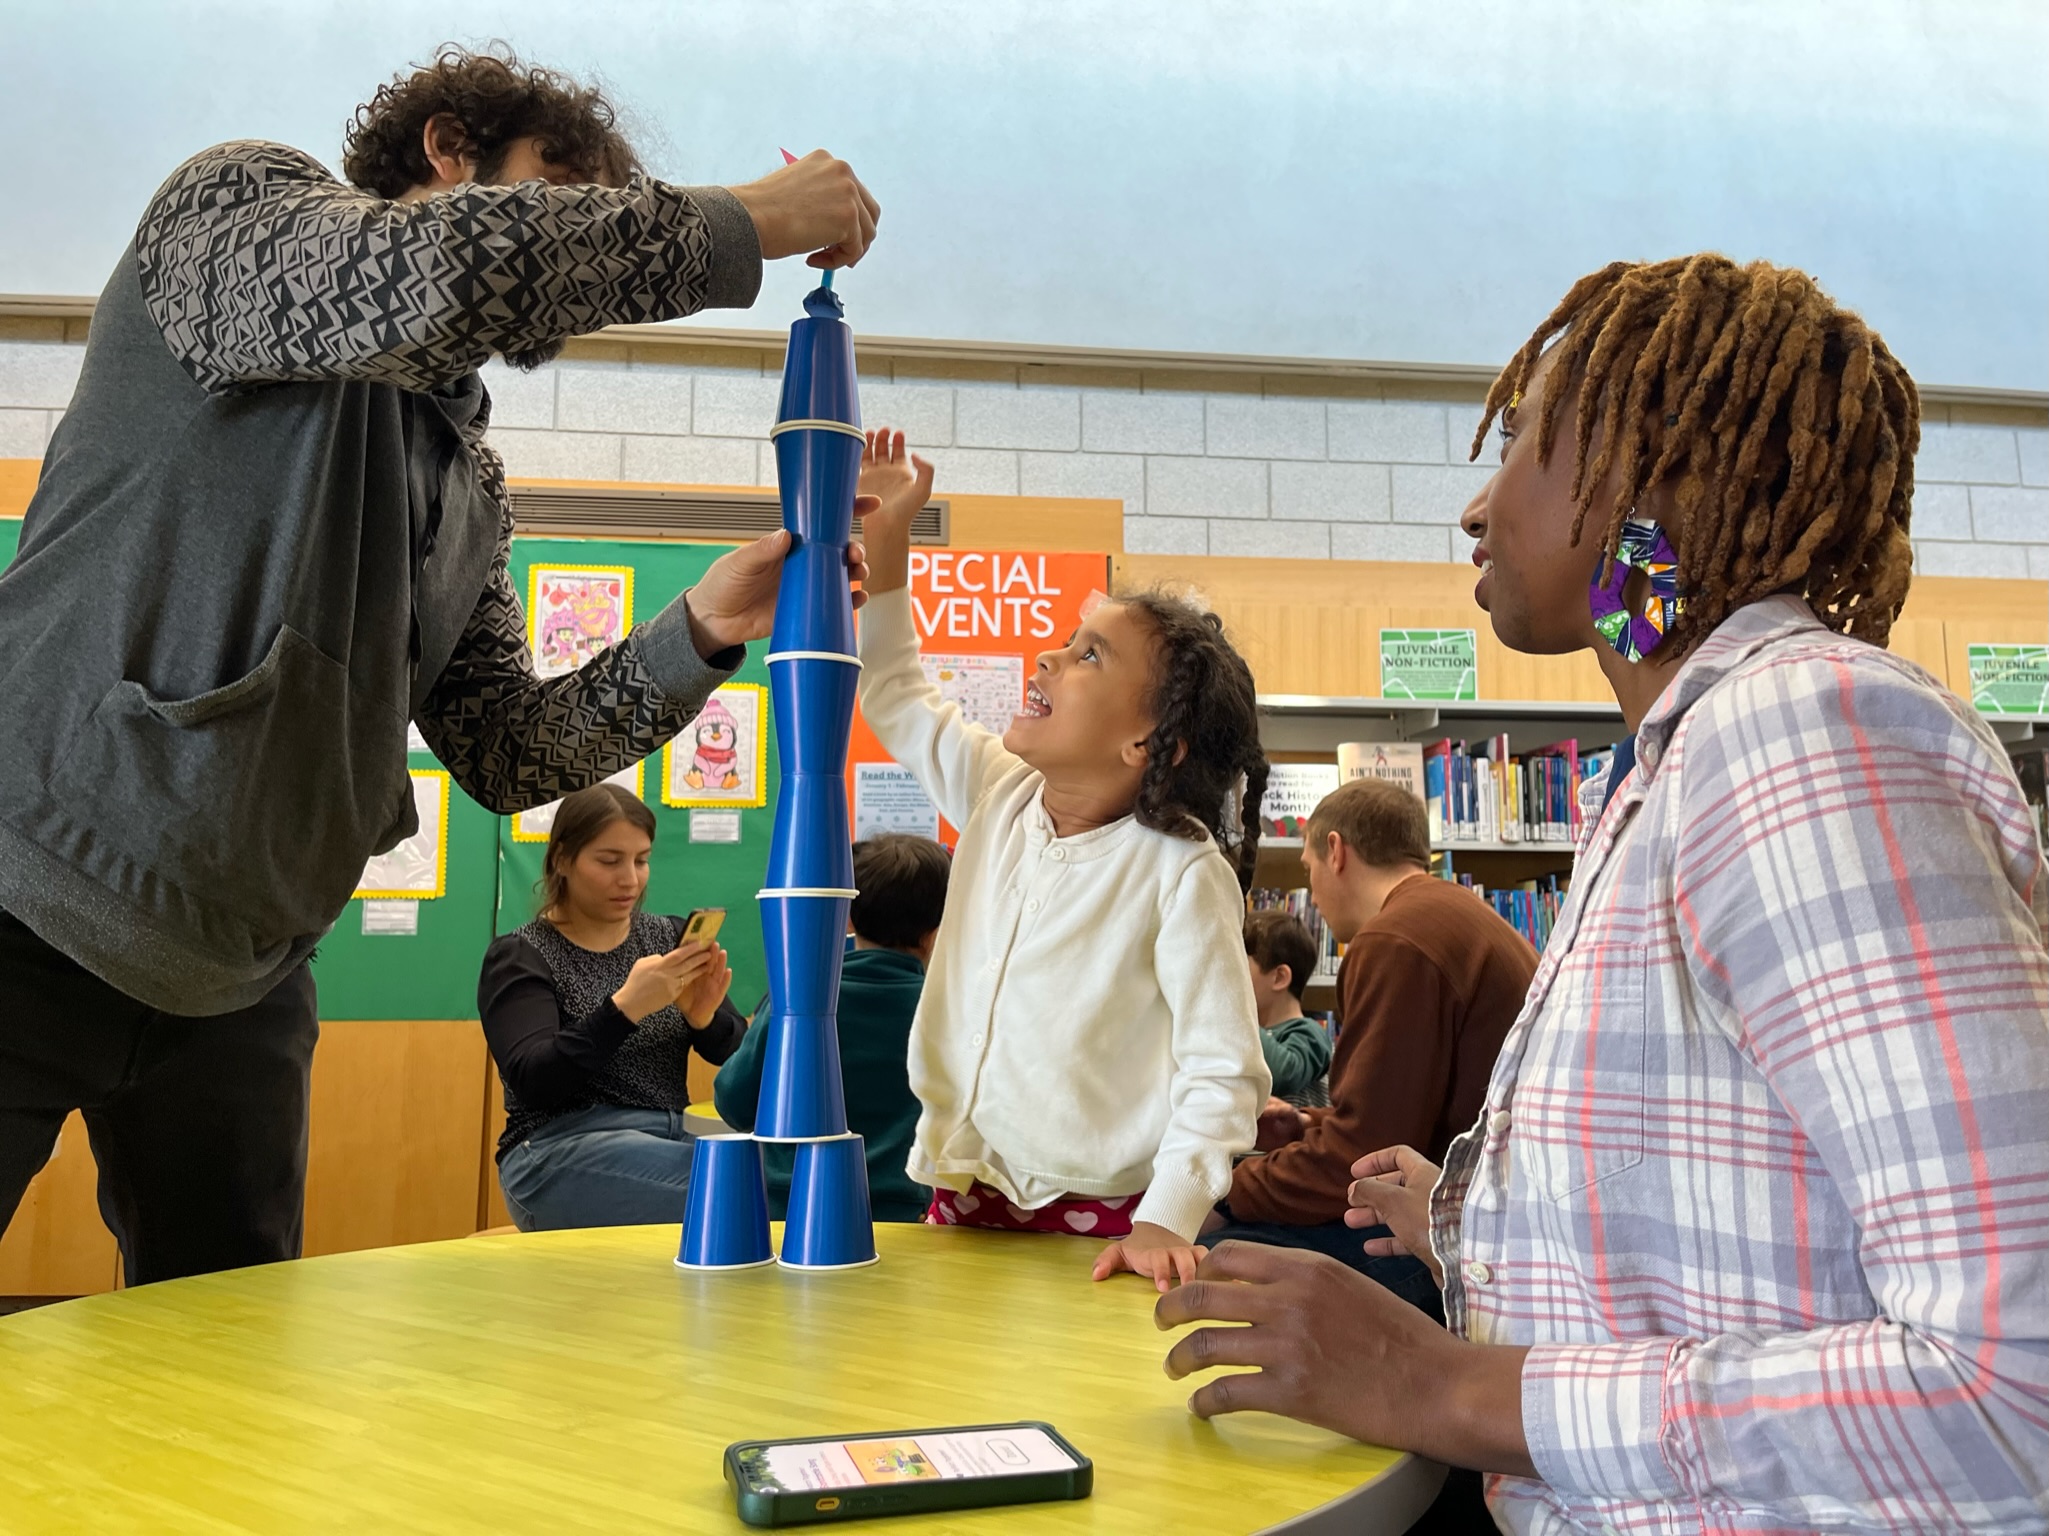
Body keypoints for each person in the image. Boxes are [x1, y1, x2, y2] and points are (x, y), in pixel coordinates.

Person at [1156, 255, 2049, 1532]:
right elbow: (1764, 1223)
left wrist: (1450, 1386)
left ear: (1652, 468)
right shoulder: (1675, 764)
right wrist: (1483, 1222)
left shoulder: (1803, 734)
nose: (1476, 506)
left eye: (1522, 441)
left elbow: (2013, 1385)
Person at [0, 46, 877, 1283]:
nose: (585, 264)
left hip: (241, 979)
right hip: (25, 888)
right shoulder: (234, 210)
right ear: (447, 151)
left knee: (223, 1360)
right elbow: (454, 267)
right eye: (560, 196)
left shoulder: (468, 478)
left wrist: (704, 629)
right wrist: (748, 222)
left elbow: (512, 749)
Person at [854, 429, 1272, 1292]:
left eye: (1089, 655)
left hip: (1107, 1215)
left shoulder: (1179, 869)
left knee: (1063, 1402)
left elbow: (1221, 1066)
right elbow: (894, 686)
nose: (1049, 655)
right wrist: (891, 533)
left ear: (1145, 741)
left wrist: (1170, 1213)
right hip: (965, 1185)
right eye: (1068, 639)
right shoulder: (997, 789)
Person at [1203, 780, 1535, 1308]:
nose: (1311, 894)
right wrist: (1310, 1125)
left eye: (1309, 869)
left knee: (1201, 1253)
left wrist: (1220, 1190)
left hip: (1457, 1249)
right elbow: (1410, 1122)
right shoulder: (1453, 914)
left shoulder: (1393, 939)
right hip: (1496, 1222)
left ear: (1336, 851)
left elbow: (1358, 1162)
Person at [478, 785, 744, 1231]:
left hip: (672, 1133)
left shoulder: (667, 939)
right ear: (562, 860)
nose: (630, 879)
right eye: (609, 860)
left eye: (641, 860)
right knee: (741, 1186)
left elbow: (733, 1051)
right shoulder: (521, 955)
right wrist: (623, 1010)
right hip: (557, 1149)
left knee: (779, 1166)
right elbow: (534, 1081)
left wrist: (705, 1021)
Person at [714, 833, 949, 1223]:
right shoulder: (949, 1011)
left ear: (848, 916)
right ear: (943, 922)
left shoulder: (797, 996)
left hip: (782, 1206)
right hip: (901, 1211)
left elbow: (734, 1099)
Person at [1241, 911, 1332, 1106]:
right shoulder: (1248, 1032)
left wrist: (1235, 1012)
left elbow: (1285, 1073)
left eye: (1240, 966)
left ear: (1279, 977)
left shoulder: (1310, 1033)